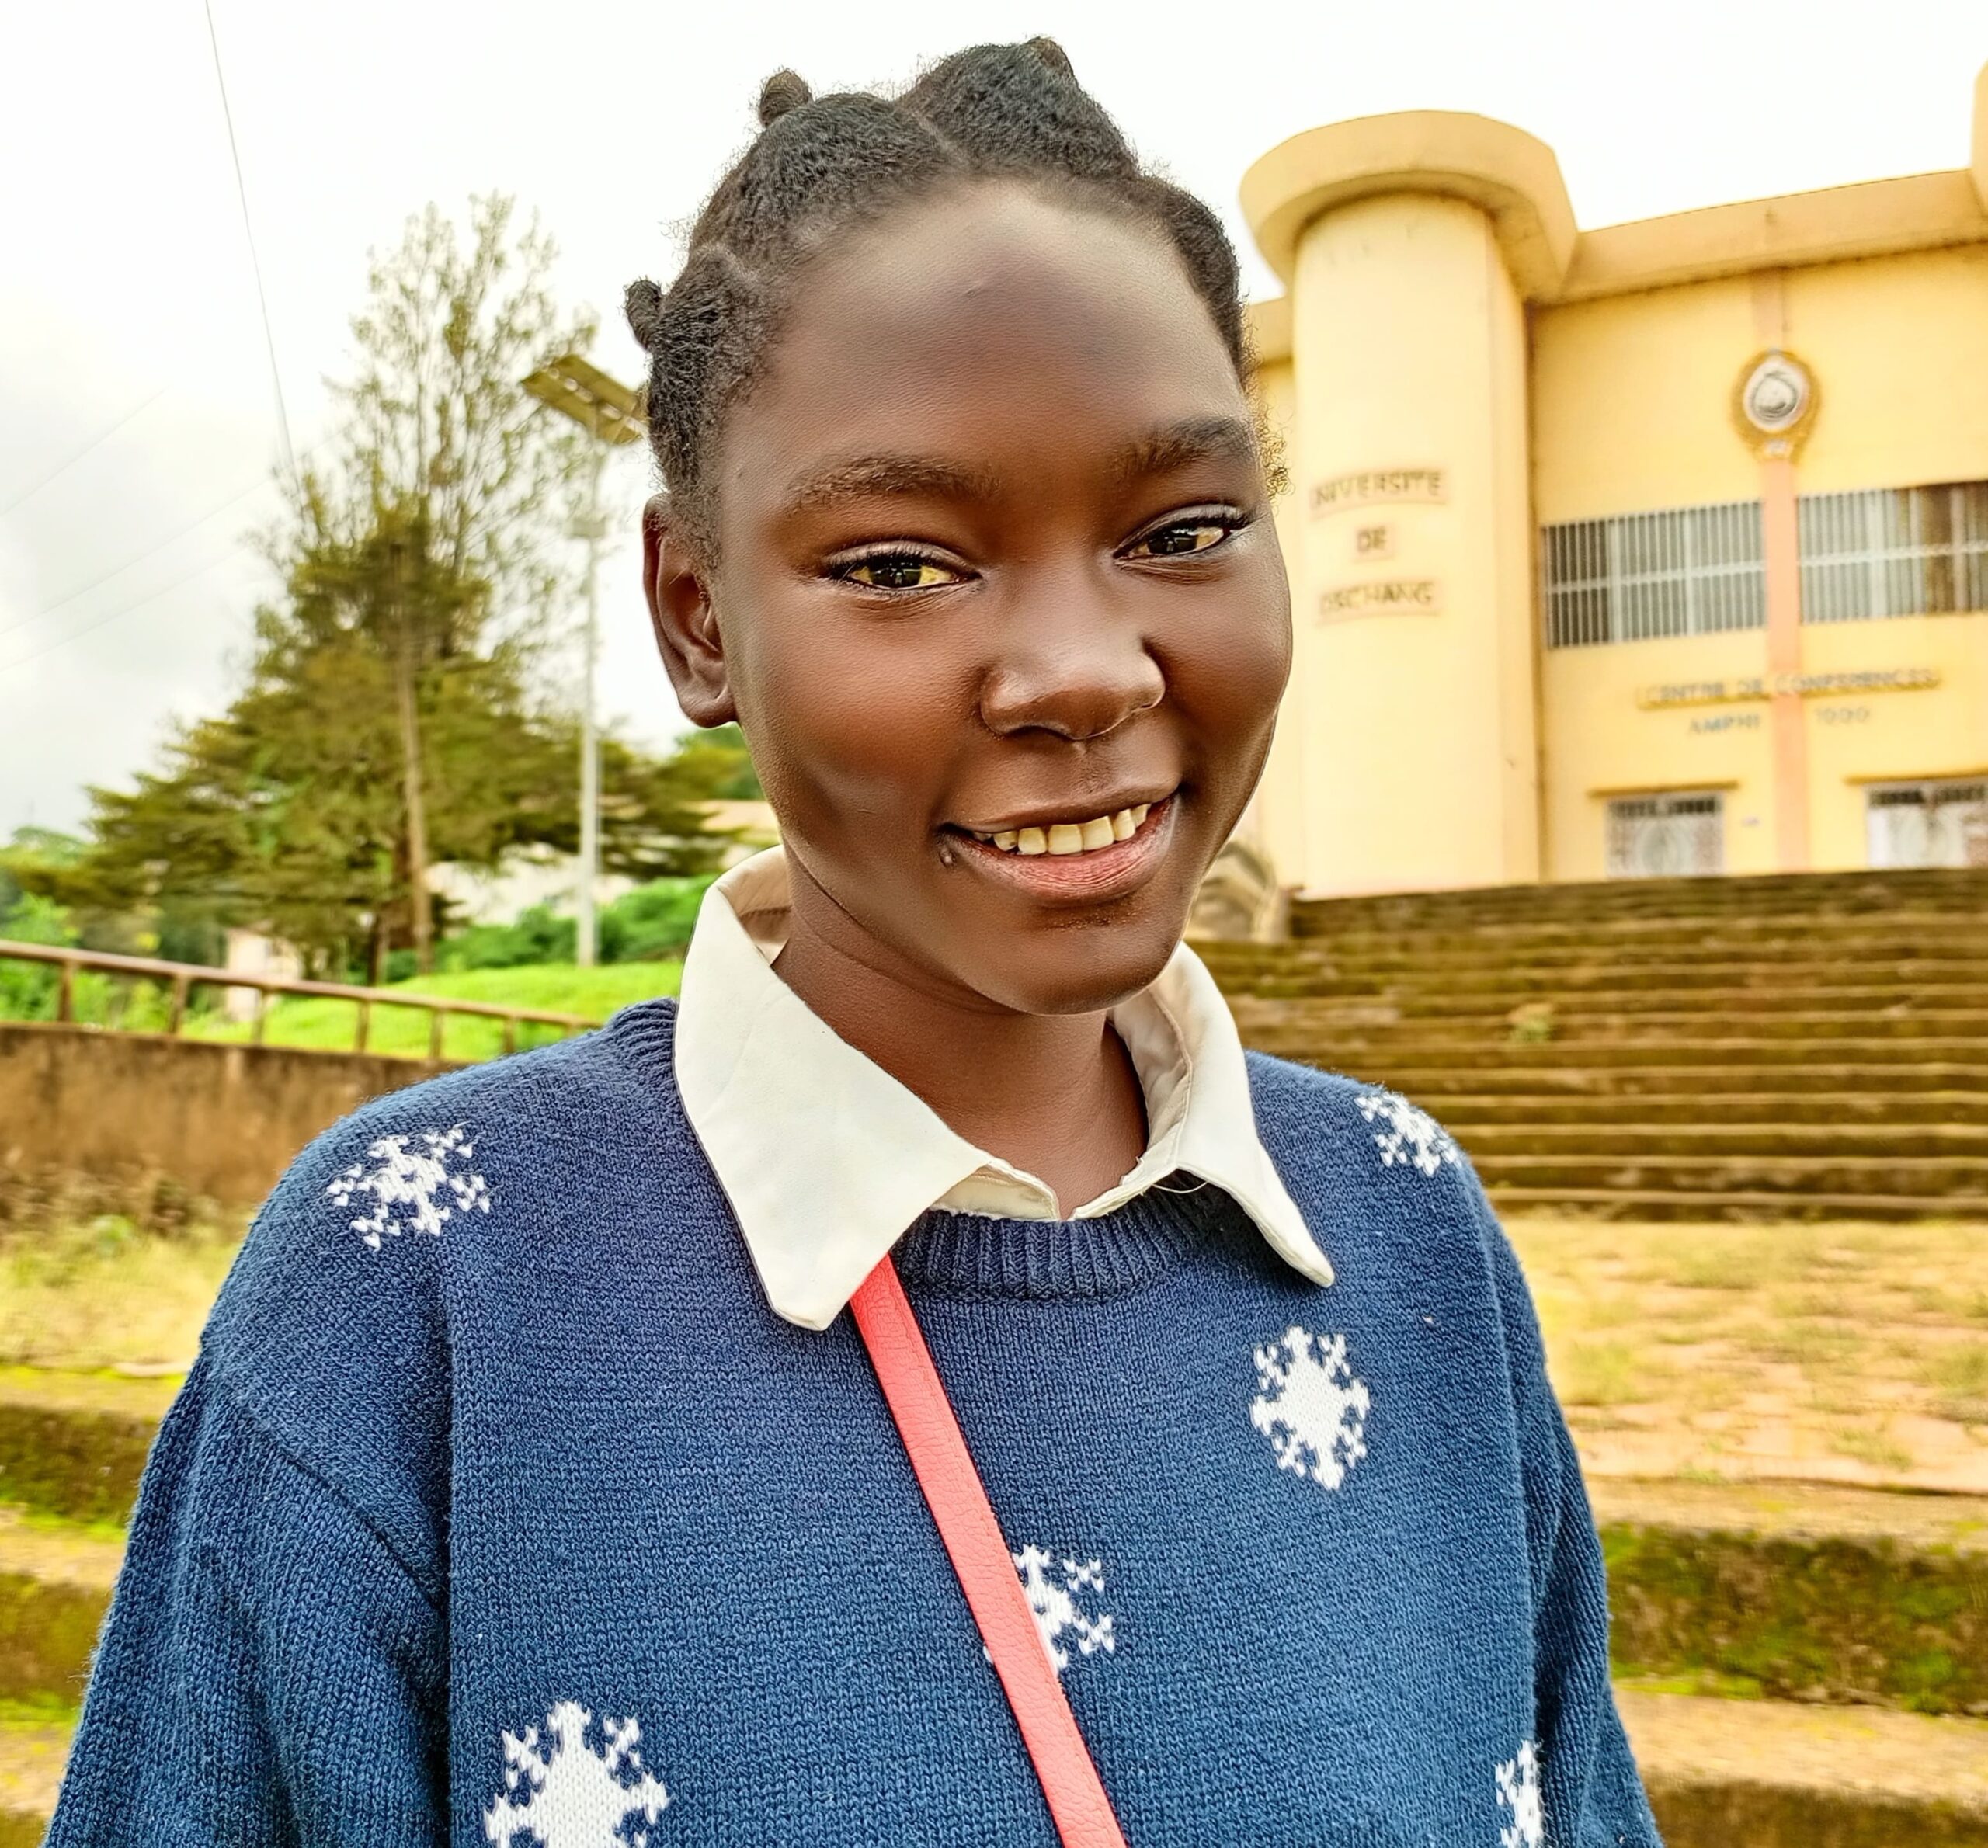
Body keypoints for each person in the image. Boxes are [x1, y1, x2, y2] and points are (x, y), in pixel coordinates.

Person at [50, 40, 1660, 1848]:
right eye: (900, 563)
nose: (1083, 671)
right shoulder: (424, 1286)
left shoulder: (1408, 1228)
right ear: (696, 615)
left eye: (1185, 529)